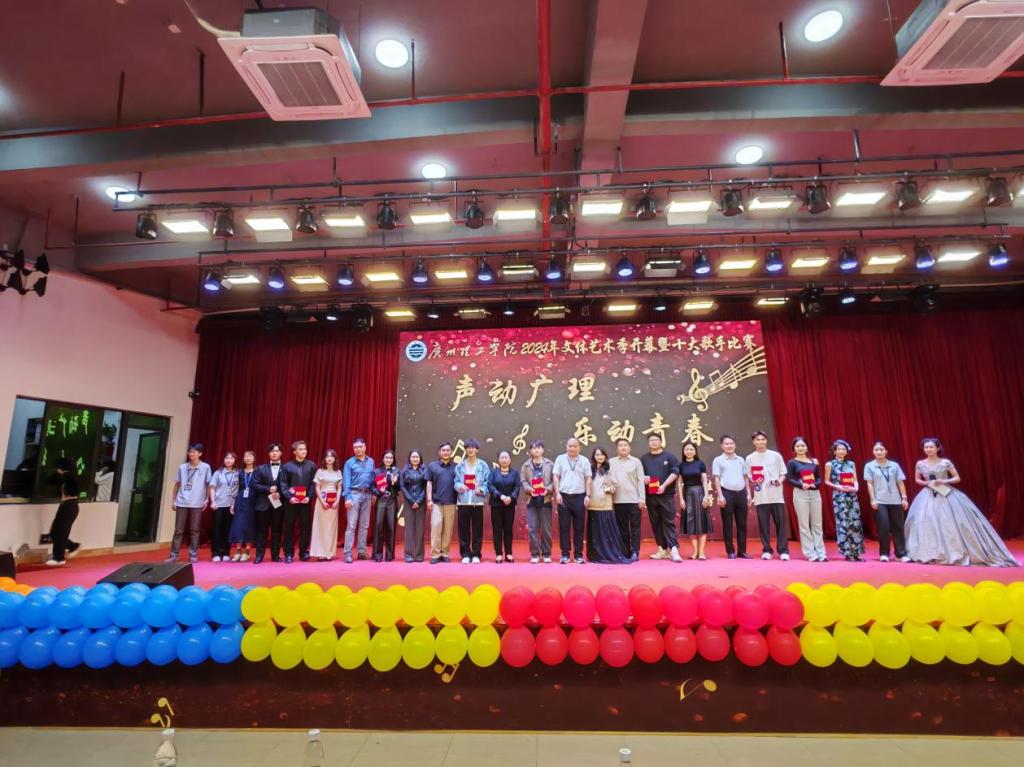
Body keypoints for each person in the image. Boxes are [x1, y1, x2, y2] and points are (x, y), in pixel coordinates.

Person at [906, 438, 1018, 567]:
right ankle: (929, 552)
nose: (928, 449)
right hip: (927, 494)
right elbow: (917, 480)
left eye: (931, 447)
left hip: (946, 493)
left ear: (937, 448)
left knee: (949, 521)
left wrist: (944, 481)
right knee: (926, 521)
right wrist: (927, 483)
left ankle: (954, 551)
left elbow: (957, 478)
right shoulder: (920, 463)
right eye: (926, 447)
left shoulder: (945, 462)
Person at [746, 430, 789, 561]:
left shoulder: (775, 456)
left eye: (763, 439)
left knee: (781, 524)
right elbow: (748, 475)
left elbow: (783, 473)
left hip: (776, 495)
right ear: (753, 442)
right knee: (763, 525)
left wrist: (779, 481)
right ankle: (766, 550)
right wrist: (754, 479)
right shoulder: (750, 458)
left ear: (766, 440)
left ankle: (783, 550)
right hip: (761, 496)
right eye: (758, 440)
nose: (761, 442)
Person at [863, 441, 910, 563]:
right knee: (883, 527)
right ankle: (884, 554)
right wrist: (872, 499)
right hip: (880, 501)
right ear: (873, 452)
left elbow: (900, 482)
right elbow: (869, 483)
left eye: (881, 449)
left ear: (886, 451)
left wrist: (904, 498)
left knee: (898, 528)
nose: (879, 452)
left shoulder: (894, 465)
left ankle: (901, 554)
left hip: (896, 501)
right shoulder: (869, 466)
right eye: (876, 450)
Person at [167, 443, 212, 564]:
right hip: (182, 502)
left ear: (200, 454)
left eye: (194, 452)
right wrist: (174, 500)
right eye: (190, 452)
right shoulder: (182, 467)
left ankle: (193, 555)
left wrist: (207, 499)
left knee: (195, 530)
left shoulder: (205, 467)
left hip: (197, 503)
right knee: (178, 530)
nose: (191, 454)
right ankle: (174, 555)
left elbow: (208, 484)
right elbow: (177, 484)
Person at [640, 433, 682, 562]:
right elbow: (640, 475)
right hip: (651, 495)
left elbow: (675, 473)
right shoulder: (644, 459)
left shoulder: (669, 457)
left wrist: (664, 485)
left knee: (668, 522)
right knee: (656, 522)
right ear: (648, 443)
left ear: (661, 441)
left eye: (656, 440)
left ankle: (673, 549)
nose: (653, 442)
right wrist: (644, 478)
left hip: (666, 495)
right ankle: (662, 549)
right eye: (651, 440)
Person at [587, 447, 631, 564]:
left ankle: (607, 553)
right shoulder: (589, 469)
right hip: (592, 504)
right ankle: (595, 554)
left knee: (606, 532)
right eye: (597, 455)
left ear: (605, 456)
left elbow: (614, 487)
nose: (599, 457)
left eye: (602, 455)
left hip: (605, 504)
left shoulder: (609, 469)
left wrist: (610, 488)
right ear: (593, 457)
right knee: (595, 532)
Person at [553, 437, 593, 564]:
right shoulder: (560, 459)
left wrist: (588, 495)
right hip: (564, 496)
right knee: (564, 527)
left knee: (579, 527)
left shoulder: (584, 460)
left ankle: (578, 555)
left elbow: (588, 478)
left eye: (575, 446)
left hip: (580, 497)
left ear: (579, 447)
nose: (572, 448)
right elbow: (556, 476)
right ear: (566, 447)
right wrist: (557, 493)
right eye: (570, 446)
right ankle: (565, 554)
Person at [786, 437, 826, 562]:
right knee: (804, 525)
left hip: (815, 494)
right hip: (800, 494)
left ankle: (821, 552)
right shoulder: (792, 462)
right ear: (794, 449)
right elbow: (789, 479)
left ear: (807, 447)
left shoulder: (814, 461)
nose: (800, 448)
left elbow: (819, 478)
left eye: (803, 446)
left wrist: (815, 484)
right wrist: (801, 485)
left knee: (817, 524)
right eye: (798, 446)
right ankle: (810, 553)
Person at [823, 440, 864, 562]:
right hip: (839, 496)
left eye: (843, 449)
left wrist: (856, 488)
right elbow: (826, 481)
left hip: (852, 495)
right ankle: (847, 553)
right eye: (839, 449)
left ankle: (857, 552)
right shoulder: (830, 464)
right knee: (843, 523)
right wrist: (838, 487)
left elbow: (855, 479)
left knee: (855, 522)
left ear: (846, 451)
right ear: (834, 451)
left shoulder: (851, 464)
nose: (841, 451)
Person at [279, 440, 318, 563]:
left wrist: (309, 496)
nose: (303, 451)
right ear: (295, 452)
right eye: (300, 449)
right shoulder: (287, 467)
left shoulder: (312, 465)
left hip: (305, 502)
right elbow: (283, 484)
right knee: (289, 527)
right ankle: (289, 553)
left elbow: (313, 484)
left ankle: (303, 552)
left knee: (305, 527)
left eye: (305, 449)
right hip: (291, 502)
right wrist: (289, 497)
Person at [712, 434, 750, 559]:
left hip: (741, 494)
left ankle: (742, 551)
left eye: (731, 443)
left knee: (742, 524)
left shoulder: (741, 459)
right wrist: (720, 495)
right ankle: (730, 551)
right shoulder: (718, 460)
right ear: (722, 446)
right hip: (726, 493)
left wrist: (748, 493)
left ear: (735, 445)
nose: (729, 446)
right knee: (727, 524)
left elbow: (745, 477)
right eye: (726, 444)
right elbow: (716, 478)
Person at [609, 437, 646, 562]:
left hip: (634, 500)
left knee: (635, 528)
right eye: (620, 445)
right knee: (622, 528)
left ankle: (635, 551)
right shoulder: (612, 462)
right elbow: (608, 480)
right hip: (618, 500)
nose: (623, 447)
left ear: (629, 448)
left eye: (625, 445)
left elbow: (641, 480)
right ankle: (625, 551)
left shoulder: (636, 462)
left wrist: (642, 499)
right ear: (617, 449)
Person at [455, 439, 490, 564]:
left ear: (477, 449)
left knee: (477, 530)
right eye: (468, 447)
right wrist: (460, 486)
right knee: (463, 530)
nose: (470, 450)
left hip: (477, 501)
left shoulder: (483, 465)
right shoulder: (460, 466)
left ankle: (476, 554)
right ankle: (465, 554)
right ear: (465, 449)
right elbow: (456, 482)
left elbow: (487, 482)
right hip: (463, 501)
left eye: (473, 447)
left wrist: (482, 489)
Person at [520, 440, 555, 563]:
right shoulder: (525, 466)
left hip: (545, 500)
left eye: (539, 448)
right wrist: (529, 489)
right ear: (530, 451)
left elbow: (554, 480)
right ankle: (535, 554)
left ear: (543, 450)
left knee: (546, 529)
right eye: (534, 448)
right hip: (532, 501)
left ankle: (546, 553)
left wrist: (548, 489)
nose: (536, 450)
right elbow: (523, 481)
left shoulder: (550, 464)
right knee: (532, 528)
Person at [342, 438, 376, 564]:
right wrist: (347, 497)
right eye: (355, 447)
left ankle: (362, 552)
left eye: (360, 447)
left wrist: (374, 493)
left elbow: (373, 479)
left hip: (367, 494)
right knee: (351, 525)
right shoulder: (349, 463)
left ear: (365, 447)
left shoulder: (371, 461)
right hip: (354, 494)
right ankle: (348, 553)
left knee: (364, 525)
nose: (358, 449)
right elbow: (346, 481)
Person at [677, 440, 712, 560]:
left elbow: (704, 481)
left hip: (699, 492)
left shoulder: (700, 464)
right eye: (687, 449)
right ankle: (695, 551)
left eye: (691, 449)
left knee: (701, 523)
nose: (689, 451)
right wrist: (681, 499)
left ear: (695, 451)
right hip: (687, 493)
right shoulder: (681, 465)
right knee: (690, 523)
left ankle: (701, 552)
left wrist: (706, 496)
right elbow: (679, 483)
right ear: (683, 451)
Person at [45, 457, 82, 566]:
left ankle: (59, 558)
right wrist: (58, 472)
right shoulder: (64, 477)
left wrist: (62, 472)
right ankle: (72, 546)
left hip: (70, 506)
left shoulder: (71, 477)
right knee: (54, 533)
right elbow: (49, 481)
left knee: (61, 533)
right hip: (65, 506)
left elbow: (68, 477)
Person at [252, 443, 284, 564]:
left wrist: (280, 493)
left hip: (278, 504)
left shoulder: (285, 468)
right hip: (263, 504)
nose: (274, 453)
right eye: (272, 451)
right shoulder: (260, 468)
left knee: (277, 531)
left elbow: (288, 485)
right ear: (268, 453)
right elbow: (254, 484)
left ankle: (275, 556)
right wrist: (268, 489)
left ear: (281, 453)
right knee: (261, 531)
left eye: (277, 451)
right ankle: (259, 556)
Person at [426, 442, 458, 564]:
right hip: (436, 503)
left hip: (451, 502)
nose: (445, 452)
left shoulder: (456, 467)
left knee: (448, 530)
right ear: (439, 452)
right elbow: (429, 483)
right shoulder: (432, 466)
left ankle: (444, 553)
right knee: (436, 527)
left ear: (451, 452)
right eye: (443, 450)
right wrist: (429, 499)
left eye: (448, 450)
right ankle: (435, 554)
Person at [310, 449, 342, 561]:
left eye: (332, 456)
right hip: (322, 501)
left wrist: (337, 501)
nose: (329, 458)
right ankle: (320, 553)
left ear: (335, 459)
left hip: (334, 503)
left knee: (331, 527)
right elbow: (317, 487)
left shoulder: (338, 472)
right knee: (321, 526)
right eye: (327, 456)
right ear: (324, 458)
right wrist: (322, 501)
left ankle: (329, 553)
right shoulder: (320, 471)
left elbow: (339, 488)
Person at [489, 450, 519, 563]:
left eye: (506, 457)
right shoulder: (493, 472)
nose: (504, 460)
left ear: (510, 460)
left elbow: (517, 487)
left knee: (508, 530)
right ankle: (498, 554)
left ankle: (509, 553)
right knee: (497, 530)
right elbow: (490, 486)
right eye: (502, 457)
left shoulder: (514, 473)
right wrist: (500, 496)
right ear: (498, 460)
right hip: (496, 504)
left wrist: (511, 497)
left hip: (509, 505)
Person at [208, 452, 239, 563]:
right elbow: (212, 488)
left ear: (235, 460)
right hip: (219, 504)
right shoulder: (218, 473)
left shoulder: (237, 473)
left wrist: (233, 505)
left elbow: (237, 491)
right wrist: (213, 501)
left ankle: (226, 552)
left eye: (231, 458)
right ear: (224, 460)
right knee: (217, 529)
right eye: (227, 458)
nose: (229, 460)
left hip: (230, 505)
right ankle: (216, 553)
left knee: (227, 530)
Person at [228, 450, 257, 562]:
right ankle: (238, 551)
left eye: (250, 456)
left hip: (253, 502)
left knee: (250, 526)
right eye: (246, 456)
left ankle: (247, 551)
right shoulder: (239, 472)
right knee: (238, 525)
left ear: (254, 458)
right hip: (240, 501)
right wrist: (233, 504)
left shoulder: (258, 472)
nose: (248, 458)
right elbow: (235, 489)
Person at [372, 449, 401, 562]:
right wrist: (378, 491)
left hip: (392, 500)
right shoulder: (377, 471)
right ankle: (377, 554)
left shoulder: (397, 471)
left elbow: (399, 487)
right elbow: (372, 486)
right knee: (378, 526)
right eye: (386, 458)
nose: (388, 460)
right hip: (381, 500)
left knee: (391, 527)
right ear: (383, 459)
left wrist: (395, 483)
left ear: (393, 459)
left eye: (390, 458)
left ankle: (389, 555)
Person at [400, 450, 428, 563]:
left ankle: (419, 555)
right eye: (413, 457)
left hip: (421, 502)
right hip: (409, 502)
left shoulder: (424, 470)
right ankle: (409, 555)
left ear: (420, 458)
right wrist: (411, 501)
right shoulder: (405, 470)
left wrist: (419, 500)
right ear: (410, 458)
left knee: (420, 529)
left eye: (417, 457)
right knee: (409, 529)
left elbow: (426, 487)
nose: (415, 459)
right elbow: (402, 486)